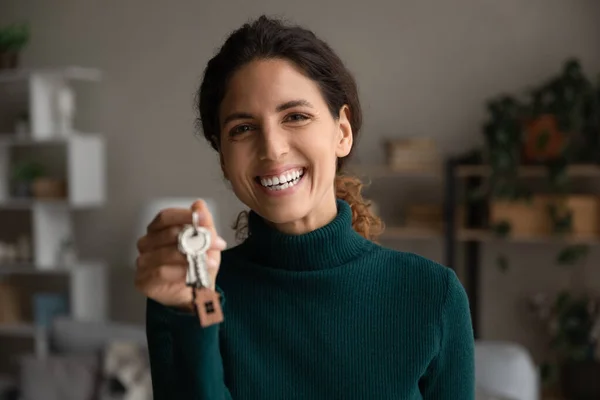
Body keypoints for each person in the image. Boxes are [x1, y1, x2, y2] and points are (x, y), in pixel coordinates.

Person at [135, 15, 475, 399]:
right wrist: (194, 308)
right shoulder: (193, 297)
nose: (272, 148)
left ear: (342, 132)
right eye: (243, 128)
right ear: (224, 161)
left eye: (295, 117)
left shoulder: (431, 294)